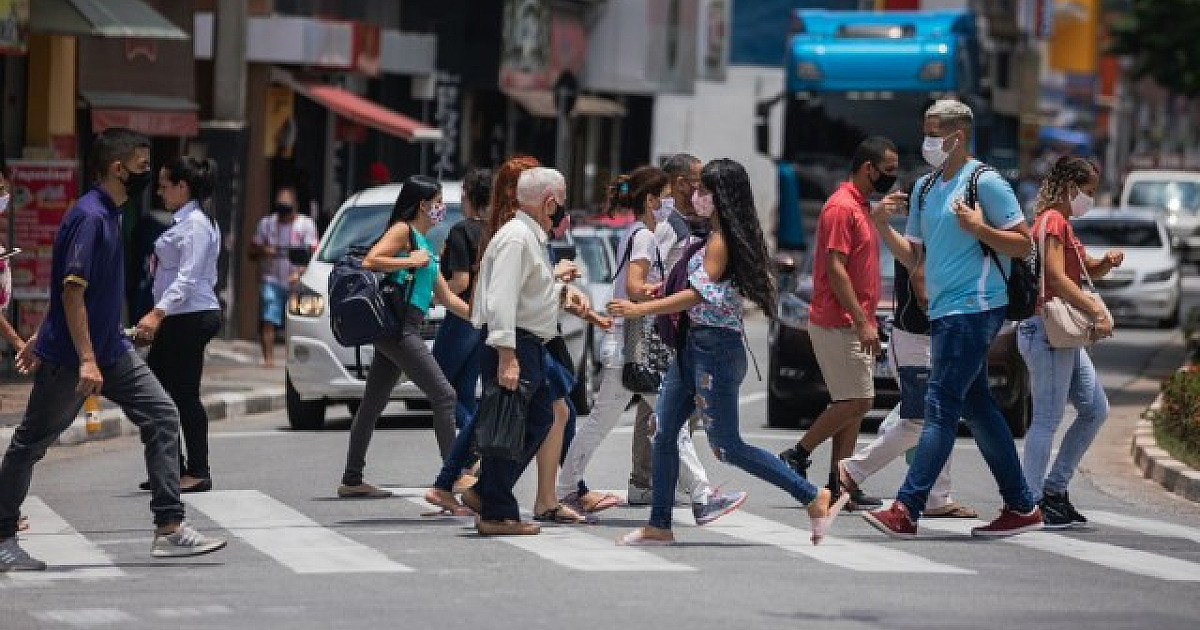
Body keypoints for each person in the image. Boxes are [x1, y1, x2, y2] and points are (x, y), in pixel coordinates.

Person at [0, 128, 226, 571]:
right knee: (31, 443)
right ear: (118, 169)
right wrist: (81, 355)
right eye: (144, 169)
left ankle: (169, 526)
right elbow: (71, 291)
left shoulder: (112, 214)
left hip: (112, 350)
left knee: (162, 413)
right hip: (75, 358)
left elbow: (73, 291)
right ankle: (3, 534)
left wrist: (45, 337)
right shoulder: (90, 217)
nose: (150, 179)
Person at [609, 159, 840, 546]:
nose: (696, 196)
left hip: (713, 349)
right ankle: (659, 524)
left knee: (726, 446)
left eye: (704, 190)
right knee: (663, 432)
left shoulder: (721, 241)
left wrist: (640, 309)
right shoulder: (711, 234)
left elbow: (697, 294)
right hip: (693, 345)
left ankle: (811, 495)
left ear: (721, 196)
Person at [865, 99, 1043, 539]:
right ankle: (1021, 505)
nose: (925, 141)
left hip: (977, 306)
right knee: (977, 406)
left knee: (940, 405)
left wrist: (981, 229)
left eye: (932, 131)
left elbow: (1024, 246)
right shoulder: (925, 188)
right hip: (944, 311)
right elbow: (914, 258)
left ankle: (907, 507)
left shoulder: (985, 183)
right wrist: (881, 225)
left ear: (956, 136)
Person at [557, 165, 737, 524]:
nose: (672, 202)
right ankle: (702, 496)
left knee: (612, 422)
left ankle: (564, 489)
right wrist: (669, 290)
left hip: (627, 342)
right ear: (652, 200)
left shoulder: (634, 233)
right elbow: (637, 287)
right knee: (665, 422)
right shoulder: (644, 237)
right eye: (666, 195)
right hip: (634, 343)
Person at [468, 166, 594, 535]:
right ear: (549, 201)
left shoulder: (528, 236)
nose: (563, 208)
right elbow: (501, 299)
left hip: (530, 344)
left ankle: (488, 495)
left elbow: (529, 293)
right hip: (516, 344)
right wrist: (507, 355)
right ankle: (496, 510)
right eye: (563, 200)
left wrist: (558, 294)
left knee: (538, 419)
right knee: (511, 425)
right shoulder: (517, 238)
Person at [778, 137, 896, 510]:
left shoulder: (861, 206)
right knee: (860, 399)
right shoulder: (841, 207)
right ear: (868, 169)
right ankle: (798, 453)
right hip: (838, 320)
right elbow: (835, 268)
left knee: (852, 403)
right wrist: (862, 321)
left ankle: (840, 483)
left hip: (852, 320)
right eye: (888, 171)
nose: (891, 178)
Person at [338, 176, 471, 498]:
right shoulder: (403, 232)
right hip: (398, 329)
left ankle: (352, 480)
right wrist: (408, 260)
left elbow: (449, 299)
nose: (441, 208)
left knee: (371, 405)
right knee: (445, 396)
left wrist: (489, 319)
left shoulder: (425, 243)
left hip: (404, 326)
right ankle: (452, 477)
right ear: (423, 204)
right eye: (437, 202)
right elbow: (372, 260)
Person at [1019, 156, 1120, 528]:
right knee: (1046, 417)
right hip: (1046, 331)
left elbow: (1083, 268)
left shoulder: (1061, 223)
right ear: (1070, 187)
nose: (1090, 200)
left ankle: (1054, 490)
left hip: (1060, 335)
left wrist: (1105, 263)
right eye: (1088, 192)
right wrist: (1096, 312)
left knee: (1095, 409)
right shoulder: (1053, 221)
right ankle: (1028, 502)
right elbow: (1058, 280)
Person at [837, 256, 978, 519]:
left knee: (939, 415)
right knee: (922, 422)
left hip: (925, 339)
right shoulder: (924, 229)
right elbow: (923, 289)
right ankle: (853, 470)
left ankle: (937, 496)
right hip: (917, 341)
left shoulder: (929, 229)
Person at [132, 157, 223, 494]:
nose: (159, 192)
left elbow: (187, 278)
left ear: (183, 187)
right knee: (158, 394)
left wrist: (156, 315)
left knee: (169, 393)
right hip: (181, 316)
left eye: (164, 184)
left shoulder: (197, 224)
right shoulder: (186, 221)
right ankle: (173, 467)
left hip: (190, 316)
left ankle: (194, 471)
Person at [624, 153, 704, 504]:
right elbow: (650, 273)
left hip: (670, 320)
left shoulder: (681, 221)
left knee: (660, 404)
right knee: (660, 404)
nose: (701, 188)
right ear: (683, 182)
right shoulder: (668, 225)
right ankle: (650, 481)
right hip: (661, 322)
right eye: (697, 180)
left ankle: (653, 480)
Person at [432, 167, 491, 433]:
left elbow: (460, 281)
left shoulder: (460, 231)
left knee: (435, 383)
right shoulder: (494, 231)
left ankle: (471, 441)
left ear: (468, 197)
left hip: (461, 316)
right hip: (485, 317)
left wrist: (435, 296)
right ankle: (469, 456)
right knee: (465, 389)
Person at [249, 186, 319, 367]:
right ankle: (268, 359)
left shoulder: (305, 225)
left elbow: (314, 253)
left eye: (287, 207)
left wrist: (301, 272)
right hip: (271, 277)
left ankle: (292, 360)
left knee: (294, 322)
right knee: (269, 318)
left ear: (295, 205)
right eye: (280, 206)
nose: (283, 211)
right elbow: (252, 250)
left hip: (296, 279)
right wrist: (264, 250)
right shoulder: (266, 224)